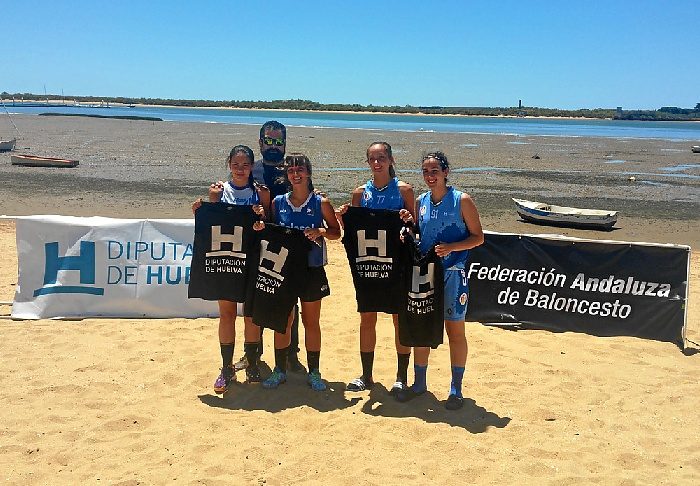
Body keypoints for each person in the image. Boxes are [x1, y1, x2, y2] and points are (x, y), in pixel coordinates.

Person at [398, 151, 484, 410]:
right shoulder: (422, 201)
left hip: (454, 273)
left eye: (434, 170)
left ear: (446, 172)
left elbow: (478, 237)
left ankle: (456, 389)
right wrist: (408, 230)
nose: (430, 176)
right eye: (425, 171)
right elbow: (420, 234)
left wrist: (452, 247)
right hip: (426, 274)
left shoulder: (462, 201)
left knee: (455, 331)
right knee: (421, 326)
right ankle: (419, 383)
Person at [254, 153, 341, 391]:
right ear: (287, 175)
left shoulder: (320, 203)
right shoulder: (279, 202)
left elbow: (336, 232)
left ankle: (314, 371)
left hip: (312, 270)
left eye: (300, 169)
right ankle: (279, 370)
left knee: (312, 322)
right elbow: (270, 230)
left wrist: (321, 232)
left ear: (308, 172)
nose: (296, 174)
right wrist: (260, 224)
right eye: (291, 170)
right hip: (283, 270)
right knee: (283, 321)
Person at [337, 142, 416, 394]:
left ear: (391, 159)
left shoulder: (404, 190)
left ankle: (401, 377)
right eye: (372, 158)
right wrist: (343, 216)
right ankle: (366, 375)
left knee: (398, 319)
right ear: (367, 162)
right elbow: (353, 231)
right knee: (367, 318)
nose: (377, 163)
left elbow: (415, 229)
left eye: (381, 157)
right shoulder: (360, 193)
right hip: (370, 264)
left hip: (398, 263)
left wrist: (408, 221)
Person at [192, 144, 271, 394]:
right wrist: (201, 208)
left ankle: (252, 363)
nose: (240, 169)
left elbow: (268, 226)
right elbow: (210, 224)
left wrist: (261, 221)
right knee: (226, 313)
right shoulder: (218, 191)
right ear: (229, 165)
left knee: (251, 315)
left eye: (245, 165)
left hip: (252, 260)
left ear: (252, 167)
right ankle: (227, 367)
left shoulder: (261, 193)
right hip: (226, 259)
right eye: (236, 164)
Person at [235, 120, 304, 373]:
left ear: (285, 143)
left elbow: (307, 197)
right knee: (253, 298)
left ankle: (291, 354)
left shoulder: (293, 170)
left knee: (289, 302)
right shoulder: (250, 169)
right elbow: (233, 193)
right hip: (255, 242)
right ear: (260, 143)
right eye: (269, 140)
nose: (273, 145)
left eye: (278, 141)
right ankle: (251, 353)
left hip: (288, 243)